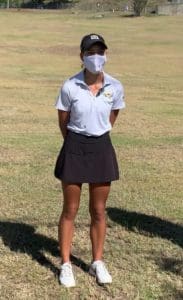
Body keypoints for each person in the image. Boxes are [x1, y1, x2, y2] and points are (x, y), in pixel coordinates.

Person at [54, 33, 125, 287]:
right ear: (81, 56)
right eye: (90, 52)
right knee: (70, 210)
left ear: (105, 54)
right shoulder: (70, 86)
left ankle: (97, 261)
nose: (96, 57)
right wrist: (76, 140)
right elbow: (64, 120)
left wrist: (97, 133)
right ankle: (65, 264)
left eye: (100, 51)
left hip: (101, 147)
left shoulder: (115, 86)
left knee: (98, 210)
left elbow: (112, 116)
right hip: (75, 146)